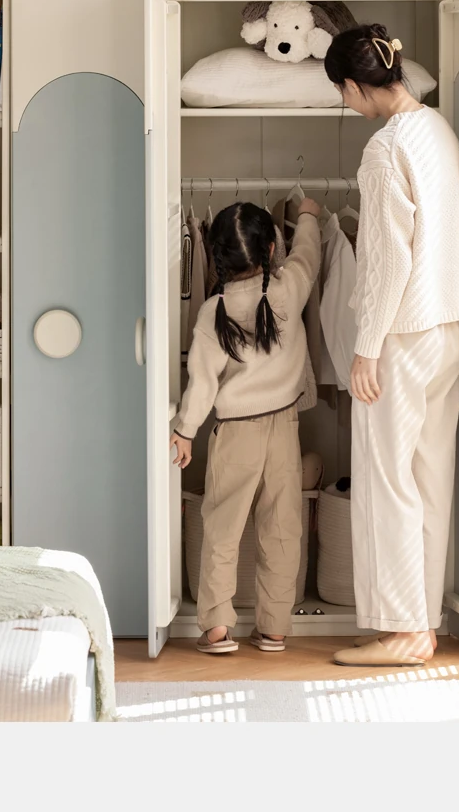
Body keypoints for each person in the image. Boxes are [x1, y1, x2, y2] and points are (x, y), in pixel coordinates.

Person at [324, 25, 459, 669]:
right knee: (430, 478)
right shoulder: (438, 130)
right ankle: (423, 623)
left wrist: (366, 347)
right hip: (448, 329)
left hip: (402, 336)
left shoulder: (384, 149)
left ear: (357, 86)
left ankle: (405, 631)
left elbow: (386, 262)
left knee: (387, 483)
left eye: (342, 91)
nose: (345, 102)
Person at [170, 198, 321, 654]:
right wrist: (308, 216)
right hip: (284, 428)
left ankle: (217, 626)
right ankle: (274, 627)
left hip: (236, 431)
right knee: (282, 528)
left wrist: (185, 430)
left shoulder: (212, 312)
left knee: (222, 527)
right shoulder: (289, 288)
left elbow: (202, 383)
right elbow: (308, 254)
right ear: (271, 249)